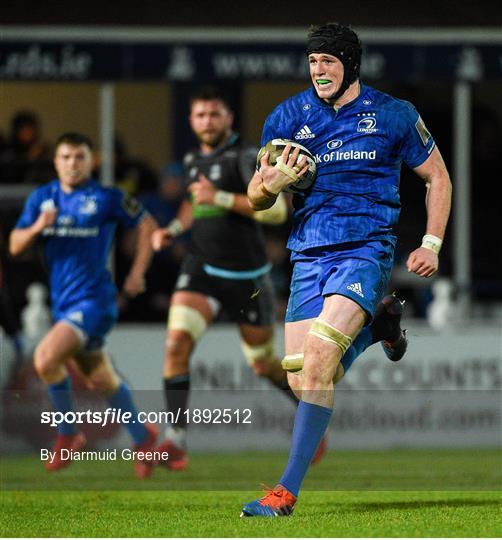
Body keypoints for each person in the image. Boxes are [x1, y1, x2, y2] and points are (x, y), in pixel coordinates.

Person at [242, 22, 452, 517]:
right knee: (305, 378)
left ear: (350, 64)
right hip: (308, 255)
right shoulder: (288, 116)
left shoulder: (393, 114)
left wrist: (432, 243)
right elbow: (255, 196)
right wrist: (271, 183)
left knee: (316, 362)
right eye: (313, 61)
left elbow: (437, 177)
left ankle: (285, 492)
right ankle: (379, 327)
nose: (319, 70)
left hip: (365, 249)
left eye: (328, 61)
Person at [151, 86, 315, 471]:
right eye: (200, 115)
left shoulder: (244, 157)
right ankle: (176, 439)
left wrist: (221, 198)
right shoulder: (193, 159)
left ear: (228, 118)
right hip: (201, 268)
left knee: (263, 364)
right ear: (191, 121)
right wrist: (173, 230)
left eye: (214, 114)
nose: (207, 122)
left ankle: (309, 415)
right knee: (176, 343)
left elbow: (274, 214)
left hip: (247, 276)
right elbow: (195, 203)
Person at [9, 132, 159, 478]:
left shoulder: (105, 197)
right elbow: (15, 246)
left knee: (45, 358)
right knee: (100, 379)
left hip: (94, 302)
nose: (72, 163)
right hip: (63, 303)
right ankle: (143, 436)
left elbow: (148, 224)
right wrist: (37, 227)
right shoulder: (42, 198)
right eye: (65, 157)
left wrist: (137, 274)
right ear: (55, 161)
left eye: (79, 157)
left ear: (89, 161)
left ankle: (68, 433)